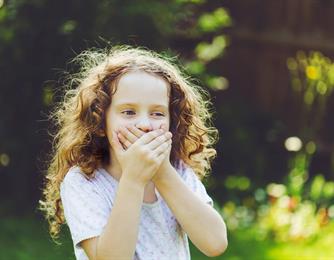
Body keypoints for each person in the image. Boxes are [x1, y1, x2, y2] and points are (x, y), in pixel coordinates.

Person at [38, 45, 228, 260]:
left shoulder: (178, 172)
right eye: (129, 112)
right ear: (100, 122)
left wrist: (162, 173)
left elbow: (215, 243)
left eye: (157, 113)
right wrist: (133, 179)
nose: (145, 124)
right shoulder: (84, 182)